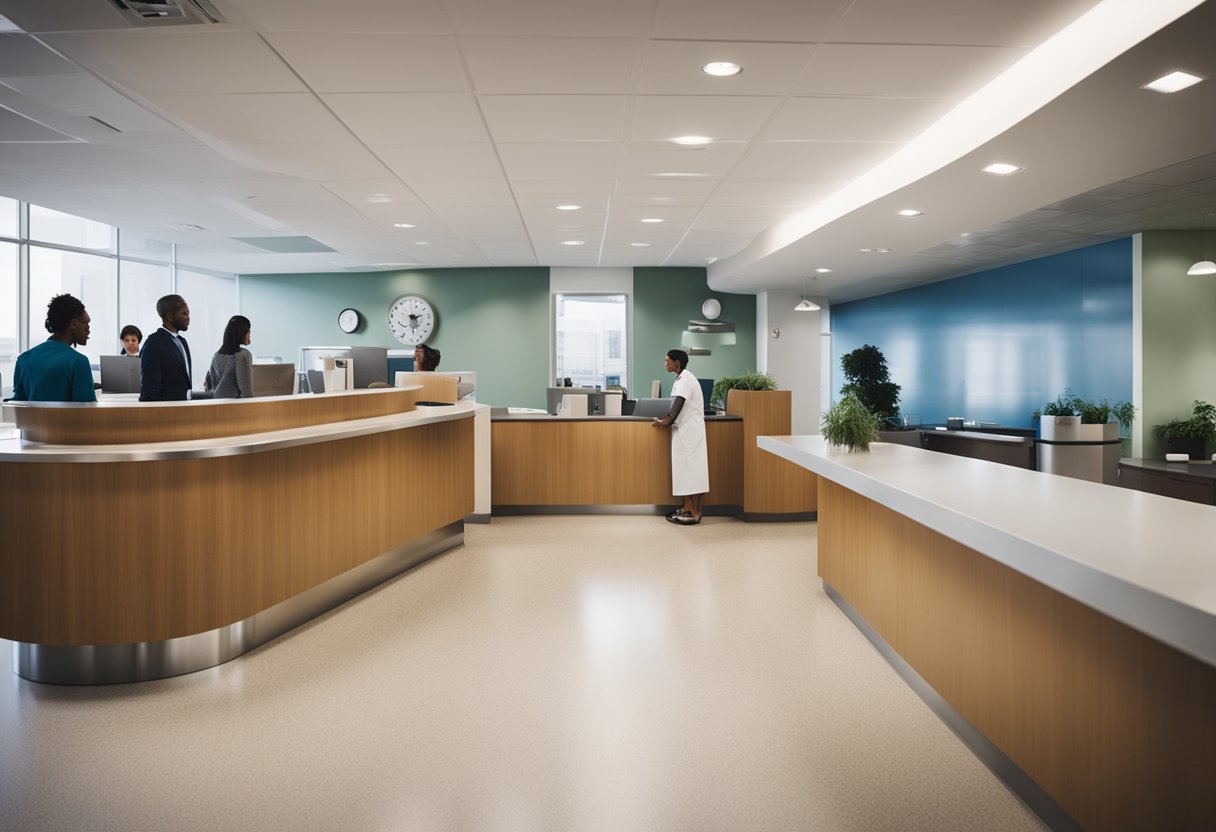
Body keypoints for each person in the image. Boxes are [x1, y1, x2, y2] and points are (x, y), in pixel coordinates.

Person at [651, 349, 709, 525]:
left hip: (689, 433)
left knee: (690, 473)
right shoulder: (683, 378)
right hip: (688, 432)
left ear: (677, 363)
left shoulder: (685, 380)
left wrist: (664, 421)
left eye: (667, 360)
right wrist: (667, 419)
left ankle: (693, 511)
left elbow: (676, 408)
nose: (665, 363)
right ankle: (688, 508)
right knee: (688, 473)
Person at [12, 294, 97, 403]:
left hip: (30, 421)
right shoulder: (79, 362)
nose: (89, 329)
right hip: (66, 421)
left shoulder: (23, 360)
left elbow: (17, 405)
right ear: (74, 324)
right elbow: (87, 412)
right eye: (86, 323)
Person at [139, 294, 192, 401]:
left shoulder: (182, 341)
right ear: (170, 317)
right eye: (184, 314)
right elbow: (149, 388)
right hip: (166, 410)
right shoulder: (153, 343)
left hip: (184, 407)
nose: (188, 318)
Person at [205, 315, 254, 398]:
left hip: (218, 405)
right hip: (236, 407)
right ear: (242, 332)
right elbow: (246, 391)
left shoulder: (216, 355)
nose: (249, 334)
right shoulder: (243, 355)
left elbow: (211, 385)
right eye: (248, 330)